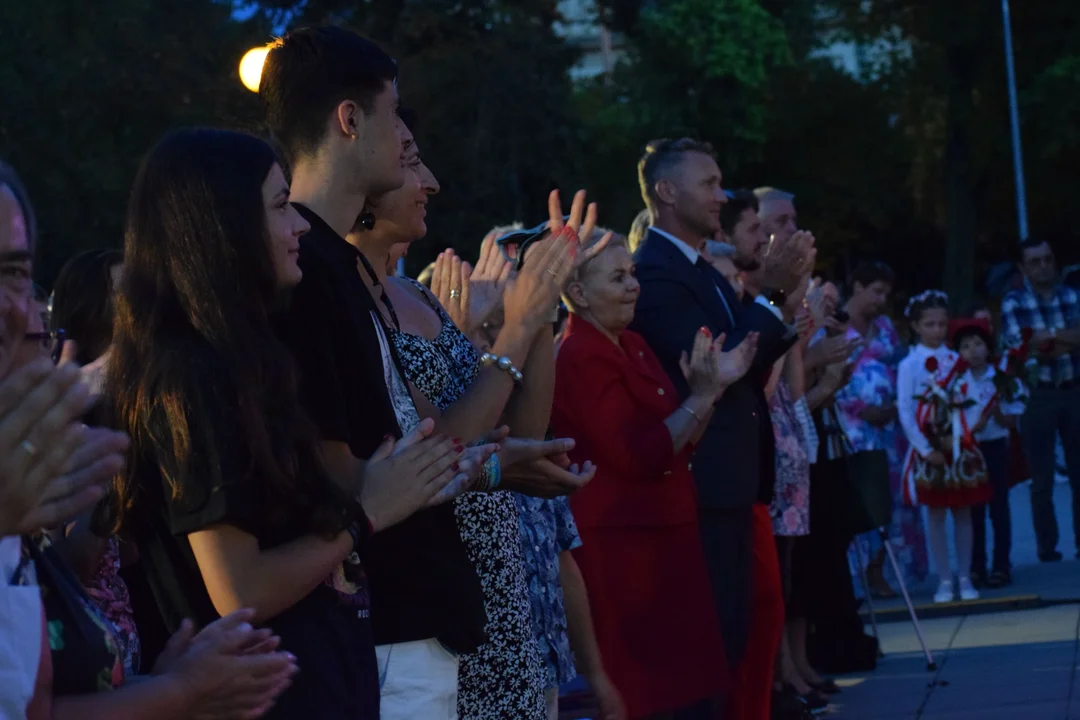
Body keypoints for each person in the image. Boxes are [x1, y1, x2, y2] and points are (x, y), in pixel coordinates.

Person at [105, 127, 477, 718]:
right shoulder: (193, 374)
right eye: (280, 207)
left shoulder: (246, 359)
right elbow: (240, 589)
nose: (300, 225)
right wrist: (369, 514)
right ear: (221, 227)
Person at [345, 116, 602, 719]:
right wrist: (512, 327)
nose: (429, 181)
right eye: (409, 162)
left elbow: (522, 432)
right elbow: (444, 447)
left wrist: (537, 311)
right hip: (440, 604)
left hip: (501, 592)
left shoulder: (419, 298)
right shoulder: (357, 308)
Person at [629, 139, 812, 719]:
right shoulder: (657, 274)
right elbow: (720, 363)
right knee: (712, 654)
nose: (721, 195)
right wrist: (777, 293)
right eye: (708, 184)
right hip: (701, 485)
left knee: (740, 635)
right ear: (666, 192)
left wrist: (779, 305)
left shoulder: (696, 268)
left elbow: (747, 360)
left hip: (730, 484)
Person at [555, 233, 758, 718]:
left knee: (694, 691)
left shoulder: (634, 343)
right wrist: (701, 397)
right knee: (647, 696)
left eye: (633, 274)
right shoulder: (578, 355)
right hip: (621, 548)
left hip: (667, 533)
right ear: (578, 294)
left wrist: (708, 392)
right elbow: (637, 454)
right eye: (618, 277)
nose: (634, 287)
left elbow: (682, 436)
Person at [835, 262, 928, 598]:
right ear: (857, 287)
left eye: (886, 294)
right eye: (876, 291)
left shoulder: (885, 327)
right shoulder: (833, 327)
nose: (881, 300)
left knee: (893, 503)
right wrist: (862, 408)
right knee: (866, 503)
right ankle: (866, 573)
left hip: (891, 430)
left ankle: (890, 570)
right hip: (855, 430)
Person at [897, 290, 991, 604]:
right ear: (916, 326)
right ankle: (944, 578)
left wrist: (962, 436)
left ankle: (964, 576)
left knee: (963, 512)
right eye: (930, 324)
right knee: (935, 515)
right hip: (930, 450)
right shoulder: (909, 365)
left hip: (958, 447)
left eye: (941, 324)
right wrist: (926, 449)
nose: (937, 330)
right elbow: (906, 412)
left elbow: (973, 401)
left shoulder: (956, 360)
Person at [1000, 238, 1080, 562]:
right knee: (1041, 478)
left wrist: (1047, 338)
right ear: (1023, 268)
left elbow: (1042, 342)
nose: (1043, 266)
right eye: (1035, 261)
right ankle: (1048, 547)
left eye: (1047, 259)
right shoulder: (1013, 302)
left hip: (1074, 389)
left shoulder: (1073, 295)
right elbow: (1023, 348)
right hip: (1037, 396)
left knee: (1079, 473)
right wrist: (1064, 339)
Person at [952, 319, 1026, 588]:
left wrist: (996, 413)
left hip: (995, 447)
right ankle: (976, 565)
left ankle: (1002, 564)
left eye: (978, 344)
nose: (972, 351)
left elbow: (1011, 422)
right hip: (970, 450)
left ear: (988, 347)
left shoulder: (1001, 377)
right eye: (965, 346)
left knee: (998, 507)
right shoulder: (957, 382)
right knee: (974, 509)